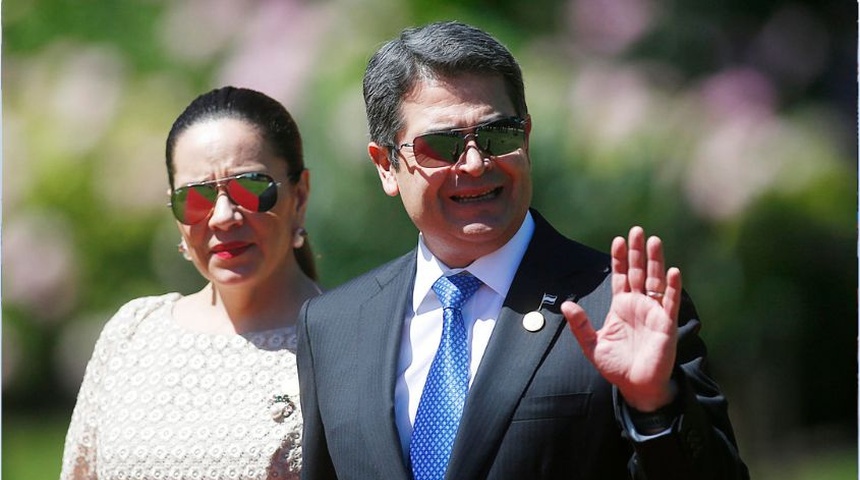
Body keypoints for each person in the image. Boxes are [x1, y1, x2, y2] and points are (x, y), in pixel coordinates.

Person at [297, 21, 749, 480]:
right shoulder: (333, 328)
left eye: (498, 136)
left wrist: (655, 405)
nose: (475, 163)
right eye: (442, 146)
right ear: (386, 166)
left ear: (526, 140)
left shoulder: (615, 308)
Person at [60, 86, 321, 480]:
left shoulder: (342, 341)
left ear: (299, 195)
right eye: (195, 198)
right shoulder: (132, 334)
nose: (222, 216)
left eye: (251, 188)